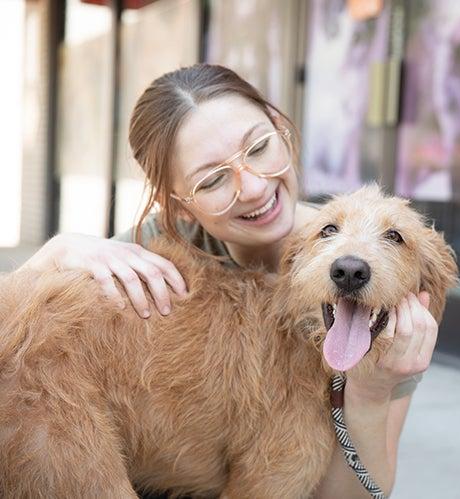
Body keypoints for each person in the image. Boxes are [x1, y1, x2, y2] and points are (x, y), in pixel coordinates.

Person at [18, 63, 438, 497]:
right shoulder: (151, 249)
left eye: (258, 147)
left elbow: (360, 492)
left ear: (281, 131)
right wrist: (53, 254)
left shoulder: (395, 288)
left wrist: (370, 392)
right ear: (178, 207)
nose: (253, 188)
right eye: (214, 179)